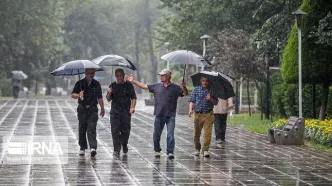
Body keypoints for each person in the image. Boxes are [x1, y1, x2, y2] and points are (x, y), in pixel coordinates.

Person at [125, 69, 188, 159]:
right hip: (159, 114)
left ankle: (170, 152)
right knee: (156, 135)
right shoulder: (157, 86)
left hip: (170, 116)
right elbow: (144, 86)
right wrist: (133, 81)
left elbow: (185, 93)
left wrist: (184, 87)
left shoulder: (175, 88)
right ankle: (157, 150)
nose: (161, 77)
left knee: (170, 135)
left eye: (163, 75)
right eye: (160, 75)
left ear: (168, 76)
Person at [71, 69, 105, 157]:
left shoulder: (96, 84)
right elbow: (73, 95)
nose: (91, 75)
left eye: (92, 73)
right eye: (89, 73)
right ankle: (82, 147)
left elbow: (100, 98)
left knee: (92, 128)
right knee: (82, 128)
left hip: (93, 108)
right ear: (86, 73)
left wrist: (102, 108)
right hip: (82, 109)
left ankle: (93, 147)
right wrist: (79, 95)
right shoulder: (80, 83)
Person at [106, 68, 137, 156]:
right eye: (117, 75)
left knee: (125, 131)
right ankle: (116, 149)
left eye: (120, 75)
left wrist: (133, 107)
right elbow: (108, 100)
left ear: (123, 75)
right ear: (115, 76)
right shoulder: (112, 85)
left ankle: (124, 144)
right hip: (115, 112)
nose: (119, 77)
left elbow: (133, 97)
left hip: (126, 112)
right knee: (115, 131)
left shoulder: (129, 85)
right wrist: (109, 93)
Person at [188, 76, 218, 158]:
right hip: (198, 114)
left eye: (206, 81)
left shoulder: (212, 90)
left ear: (209, 82)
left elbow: (216, 103)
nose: (205, 82)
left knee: (207, 134)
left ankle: (205, 150)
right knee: (196, 134)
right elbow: (192, 100)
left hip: (208, 114)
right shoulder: (196, 89)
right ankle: (197, 148)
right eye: (203, 81)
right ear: (201, 81)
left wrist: (210, 98)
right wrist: (190, 109)